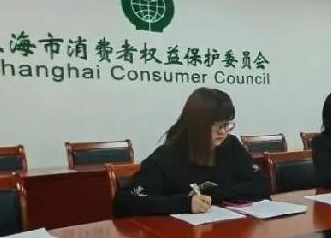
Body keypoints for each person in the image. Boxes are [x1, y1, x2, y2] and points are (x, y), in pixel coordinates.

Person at [113, 87, 270, 216]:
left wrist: (216, 194)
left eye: (227, 124)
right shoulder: (167, 157)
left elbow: (261, 185)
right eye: (217, 125)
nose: (223, 131)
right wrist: (184, 203)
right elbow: (124, 202)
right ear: (197, 126)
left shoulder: (231, 146)